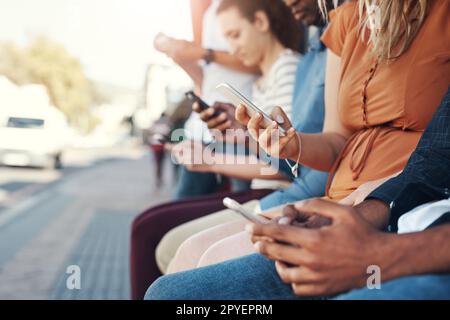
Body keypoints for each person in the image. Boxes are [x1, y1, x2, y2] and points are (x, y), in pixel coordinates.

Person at [160, 0, 450, 274]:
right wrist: (291, 144)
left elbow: (437, 158)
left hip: (388, 200)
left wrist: (216, 160)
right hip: (333, 198)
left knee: (200, 262)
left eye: (235, 35)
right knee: (188, 252)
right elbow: (336, 141)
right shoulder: (347, 22)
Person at [145, 87, 450, 300]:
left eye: (235, 35)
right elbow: (433, 160)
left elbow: (284, 172)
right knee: (169, 284)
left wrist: (379, 257)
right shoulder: (335, 42)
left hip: (395, 238)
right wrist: (357, 214)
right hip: (382, 211)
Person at [156, 0, 334, 275]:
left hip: (278, 191)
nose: (232, 49)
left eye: (235, 36)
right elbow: (278, 151)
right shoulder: (273, 75)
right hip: (274, 190)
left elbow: (284, 163)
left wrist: (211, 160)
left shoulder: (288, 67)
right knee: (163, 236)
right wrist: (238, 135)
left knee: (163, 238)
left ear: (261, 23)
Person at [154, 0, 258, 199]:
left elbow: (260, 57)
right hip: (204, 128)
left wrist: (202, 53)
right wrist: (182, 58)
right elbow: (207, 79)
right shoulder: (208, 9)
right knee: (180, 209)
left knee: (244, 205)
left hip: (241, 126)